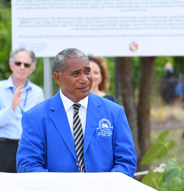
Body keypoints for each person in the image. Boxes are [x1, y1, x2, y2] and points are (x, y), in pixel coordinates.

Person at [17, 48, 137, 176]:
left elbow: (126, 162)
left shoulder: (114, 112)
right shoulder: (36, 117)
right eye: (76, 74)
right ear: (58, 78)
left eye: (87, 72)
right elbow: (28, 165)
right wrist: (65, 189)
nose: (84, 79)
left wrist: (103, 188)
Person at [0, 48, 45, 174]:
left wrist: (42, 115)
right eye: (18, 63)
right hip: (3, 148)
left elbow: (41, 127)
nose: (22, 67)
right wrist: (11, 108)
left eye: (26, 65)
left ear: (32, 69)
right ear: (11, 65)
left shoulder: (37, 92)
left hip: (30, 148)